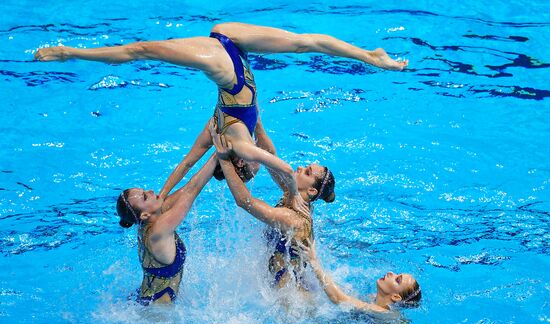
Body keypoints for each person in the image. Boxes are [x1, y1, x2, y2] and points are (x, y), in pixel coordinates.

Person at [34, 22, 408, 213]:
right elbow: (189, 162)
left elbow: (268, 159)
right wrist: (163, 193)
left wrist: (291, 186)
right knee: (302, 41)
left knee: (143, 51)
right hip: (230, 52)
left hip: (229, 66)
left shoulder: (234, 144)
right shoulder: (222, 134)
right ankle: (370, 56)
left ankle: (71, 52)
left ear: (242, 166)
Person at [211, 127, 336, 290]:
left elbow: (244, 201)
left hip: (291, 299)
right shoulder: (294, 196)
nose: (299, 167)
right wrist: (255, 120)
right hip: (282, 285)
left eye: (307, 172)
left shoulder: (292, 218)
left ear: (311, 191)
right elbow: (270, 154)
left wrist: (224, 159)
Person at [116, 154, 217, 305]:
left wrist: (217, 151)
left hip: (146, 296)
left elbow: (189, 186)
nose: (150, 191)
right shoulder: (159, 229)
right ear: (144, 215)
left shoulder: (150, 220)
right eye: (145, 197)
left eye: (145, 190)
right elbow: (192, 191)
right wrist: (218, 156)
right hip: (156, 309)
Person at [300, 241, 421, 313]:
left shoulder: (380, 311)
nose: (390, 273)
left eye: (397, 279)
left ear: (395, 297)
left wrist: (314, 261)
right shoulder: (373, 298)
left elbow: (338, 298)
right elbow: (340, 293)